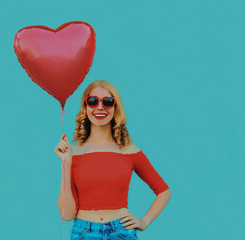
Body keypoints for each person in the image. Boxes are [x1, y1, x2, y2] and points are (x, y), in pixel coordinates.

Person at [54, 80, 171, 240]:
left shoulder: (130, 151)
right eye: (93, 101)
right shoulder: (72, 153)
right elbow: (67, 215)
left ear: (115, 108)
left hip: (121, 232)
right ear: (85, 106)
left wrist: (144, 221)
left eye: (108, 102)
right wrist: (66, 162)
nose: (100, 107)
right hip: (84, 233)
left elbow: (163, 191)